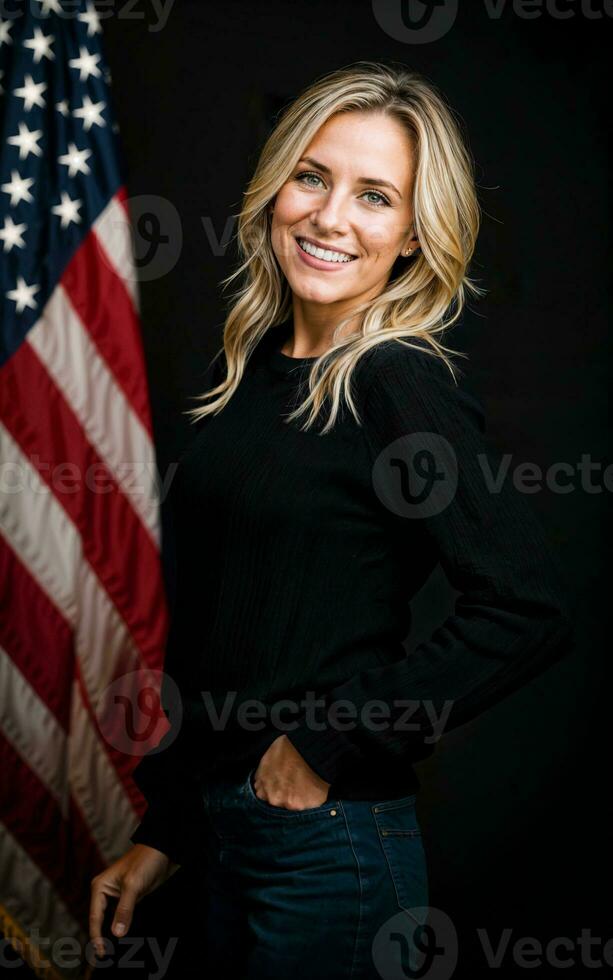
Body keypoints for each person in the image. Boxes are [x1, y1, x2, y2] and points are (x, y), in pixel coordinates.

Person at [89, 61, 574, 978]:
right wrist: (171, 830)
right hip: (227, 843)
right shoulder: (256, 371)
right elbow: (234, 639)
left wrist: (326, 742)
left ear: (413, 238)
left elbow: (526, 605)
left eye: (375, 196)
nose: (328, 217)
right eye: (311, 176)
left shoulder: (396, 381)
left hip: (326, 851)